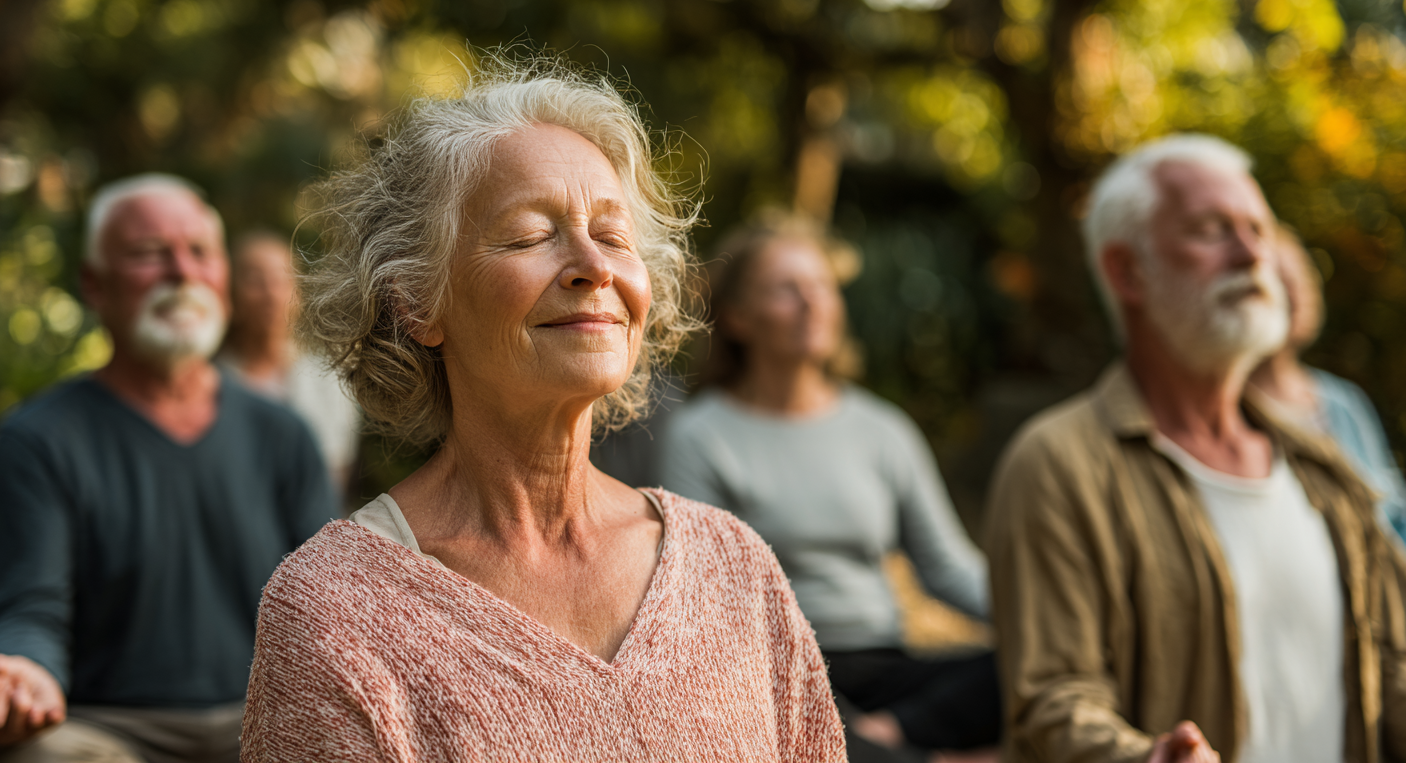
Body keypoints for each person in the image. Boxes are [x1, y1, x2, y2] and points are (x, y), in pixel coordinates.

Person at [239, 60, 847, 762]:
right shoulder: (333, 611)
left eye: (614, 237)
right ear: (417, 302)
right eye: (531, 236)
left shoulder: (733, 566)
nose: (594, 265)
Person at [987, 134, 1406, 763]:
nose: (1250, 254)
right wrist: (1145, 759)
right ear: (1126, 270)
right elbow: (1052, 700)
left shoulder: (1326, 469)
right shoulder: (1058, 463)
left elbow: (1394, 669)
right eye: (1212, 230)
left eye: (1258, 229)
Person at [0, 175, 336, 762]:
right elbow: (26, 607)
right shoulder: (37, 440)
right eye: (148, 254)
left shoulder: (283, 436)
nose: (182, 273)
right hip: (106, 731)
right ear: (94, 284)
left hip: (265, 726)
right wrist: (23, 670)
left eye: (199, 253)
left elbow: (329, 607)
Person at [659, 225, 998, 762]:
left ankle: (883, 738)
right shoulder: (700, 437)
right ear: (740, 318)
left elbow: (947, 568)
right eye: (786, 288)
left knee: (1035, 666)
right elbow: (709, 609)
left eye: (823, 285)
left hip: (890, 668)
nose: (812, 303)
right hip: (777, 675)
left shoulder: (883, 429)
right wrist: (819, 705)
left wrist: (1048, 621)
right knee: (775, 718)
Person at [1248, 229, 1406, 545]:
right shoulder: (1230, 411)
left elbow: (1396, 514)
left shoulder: (1343, 400)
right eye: (1280, 280)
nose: (1298, 292)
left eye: (1303, 274)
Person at [219, 232, 362, 496]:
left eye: (281, 279)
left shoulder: (329, 379)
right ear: (230, 293)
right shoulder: (212, 381)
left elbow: (335, 470)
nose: (270, 293)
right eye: (254, 280)